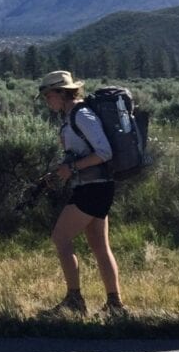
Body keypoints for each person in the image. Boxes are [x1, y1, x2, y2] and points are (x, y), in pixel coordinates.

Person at [37, 70, 127, 317]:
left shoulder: (82, 115)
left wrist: (73, 168)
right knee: (99, 245)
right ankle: (115, 305)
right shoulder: (72, 116)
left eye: (48, 96)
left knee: (60, 237)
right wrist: (60, 172)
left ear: (61, 93)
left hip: (94, 188)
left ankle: (75, 301)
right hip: (94, 186)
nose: (47, 101)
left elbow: (104, 152)